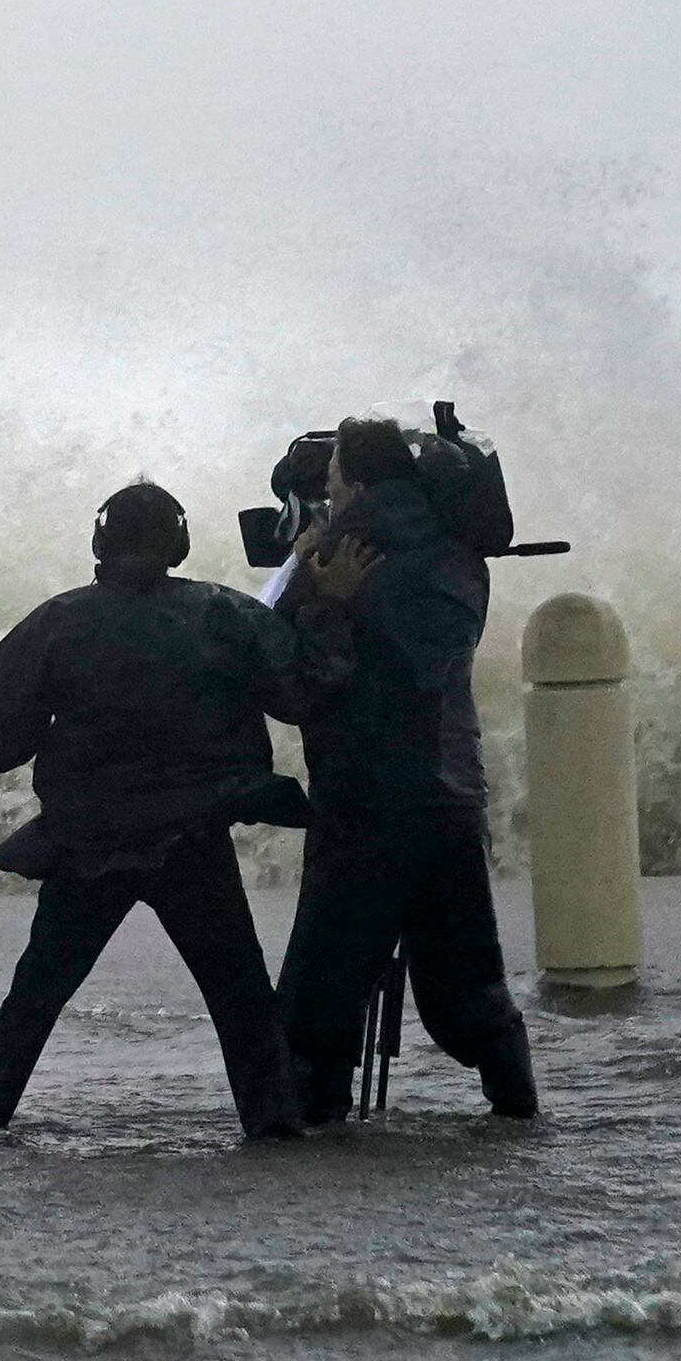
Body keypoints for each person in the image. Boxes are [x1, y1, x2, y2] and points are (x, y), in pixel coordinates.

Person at [0, 480, 314, 1142]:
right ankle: (275, 1128)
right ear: (179, 542)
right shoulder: (225, 611)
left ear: (101, 543)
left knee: (34, 999)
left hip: (90, 842)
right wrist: (325, 601)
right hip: (191, 838)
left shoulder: (61, 618)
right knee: (242, 1000)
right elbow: (302, 690)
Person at [271, 414, 538, 1122]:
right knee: (468, 990)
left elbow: (297, 684)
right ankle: (520, 1111)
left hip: (364, 801)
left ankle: (319, 1128)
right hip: (451, 798)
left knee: (317, 1000)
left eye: (332, 480)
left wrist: (315, 592)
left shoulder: (336, 554)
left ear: (353, 481)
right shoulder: (461, 553)